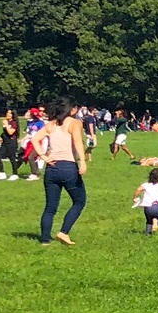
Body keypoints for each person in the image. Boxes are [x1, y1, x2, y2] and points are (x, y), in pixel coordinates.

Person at [36, 99, 89, 246]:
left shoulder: (51, 124)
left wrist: (43, 156)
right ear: (71, 109)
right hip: (68, 167)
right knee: (79, 201)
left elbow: (35, 139)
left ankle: (45, 240)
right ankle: (64, 232)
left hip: (52, 168)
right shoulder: (74, 123)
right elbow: (78, 141)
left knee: (50, 207)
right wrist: (82, 161)